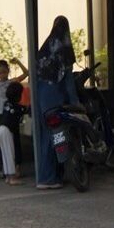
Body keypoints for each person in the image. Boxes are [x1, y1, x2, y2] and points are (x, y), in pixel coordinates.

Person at [30, 16, 76, 188]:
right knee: (56, 137)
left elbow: (34, 77)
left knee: (45, 138)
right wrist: (75, 102)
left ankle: (49, 175)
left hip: (41, 99)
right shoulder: (64, 50)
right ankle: (48, 178)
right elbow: (69, 80)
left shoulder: (44, 50)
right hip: (56, 98)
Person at [0, 59, 24, 182]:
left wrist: (17, 62)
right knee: (4, 142)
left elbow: (26, 73)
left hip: (12, 111)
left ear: (8, 71)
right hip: (3, 112)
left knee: (15, 141)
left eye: (4, 72)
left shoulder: (12, 83)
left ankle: (16, 167)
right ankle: (5, 169)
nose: (2, 75)